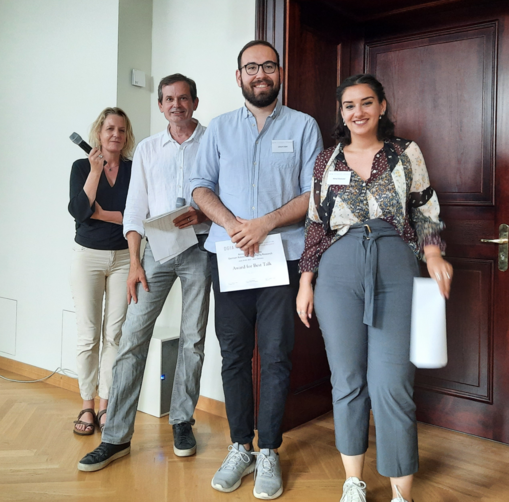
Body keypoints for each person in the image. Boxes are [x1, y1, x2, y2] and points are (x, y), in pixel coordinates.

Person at [297, 74, 448, 502]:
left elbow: (425, 209)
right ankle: (353, 483)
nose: (358, 112)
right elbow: (315, 224)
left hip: (395, 264)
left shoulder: (405, 153)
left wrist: (433, 254)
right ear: (341, 112)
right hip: (337, 270)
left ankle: (401, 493)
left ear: (382, 106)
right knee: (347, 379)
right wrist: (306, 282)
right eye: (349, 105)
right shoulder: (326, 160)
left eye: (367, 102)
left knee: (392, 383)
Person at [188, 40, 323, 499]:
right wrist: (232, 225)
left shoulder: (303, 126)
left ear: (279, 73)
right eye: (251, 67)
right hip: (228, 257)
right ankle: (240, 446)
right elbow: (199, 187)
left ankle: (269, 451)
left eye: (268, 66)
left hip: (281, 258)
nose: (260, 73)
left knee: (277, 354)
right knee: (233, 354)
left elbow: (313, 193)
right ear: (239, 75)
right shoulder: (219, 129)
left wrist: (265, 223)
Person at [78, 74, 211, 472]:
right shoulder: (149, 148)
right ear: (160, 105)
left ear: (195, 102)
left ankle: (182, 421)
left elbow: (225, 194)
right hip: (156, 250)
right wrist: (135, 262)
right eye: (169, 99)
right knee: (133, 337)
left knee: (193, 339)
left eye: (183, 98)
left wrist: (204, 213)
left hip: (201, 247)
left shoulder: (213, 142)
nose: (176, 105)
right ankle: (116, 436)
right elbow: (135, 209)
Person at [66, 107, 134, 438]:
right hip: (88, 258)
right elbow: (79, 211)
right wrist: (95, 172)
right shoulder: (82, 167)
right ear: (99, 133)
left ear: (126, 136)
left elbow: (138, 215)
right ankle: (87, 404)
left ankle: (106, 404)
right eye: (110, 129)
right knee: (88, 334)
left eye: (121, 130)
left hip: (124, 259)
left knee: (114, 335)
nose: (115, 135)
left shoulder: (133, 169)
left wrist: (103, 213)